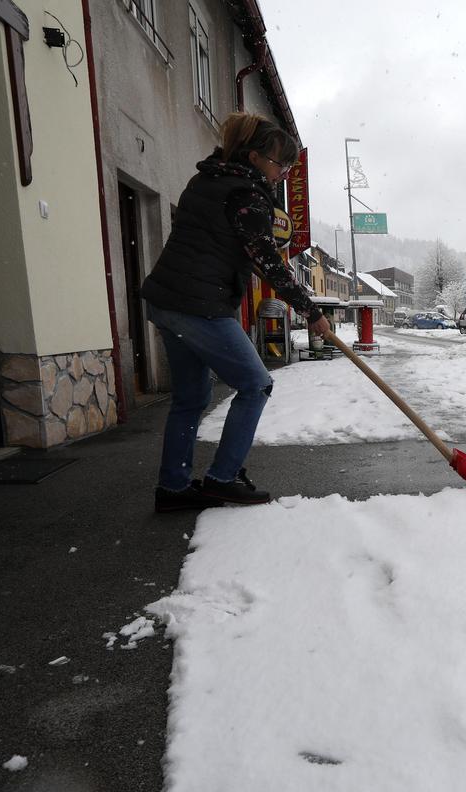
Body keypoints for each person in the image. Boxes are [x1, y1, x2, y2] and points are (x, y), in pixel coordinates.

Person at [141, 112, 330, 513]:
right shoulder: (244, 194)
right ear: (257, 157)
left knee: (191, 398)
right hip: (199, 305)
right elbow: (269, 261)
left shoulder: (208, 179)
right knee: (256, 384)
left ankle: (173, 488)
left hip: (168, 301)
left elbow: (247, 253)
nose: (283, 174)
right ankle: (223, 479)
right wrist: (311, 312)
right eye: (281, 165)